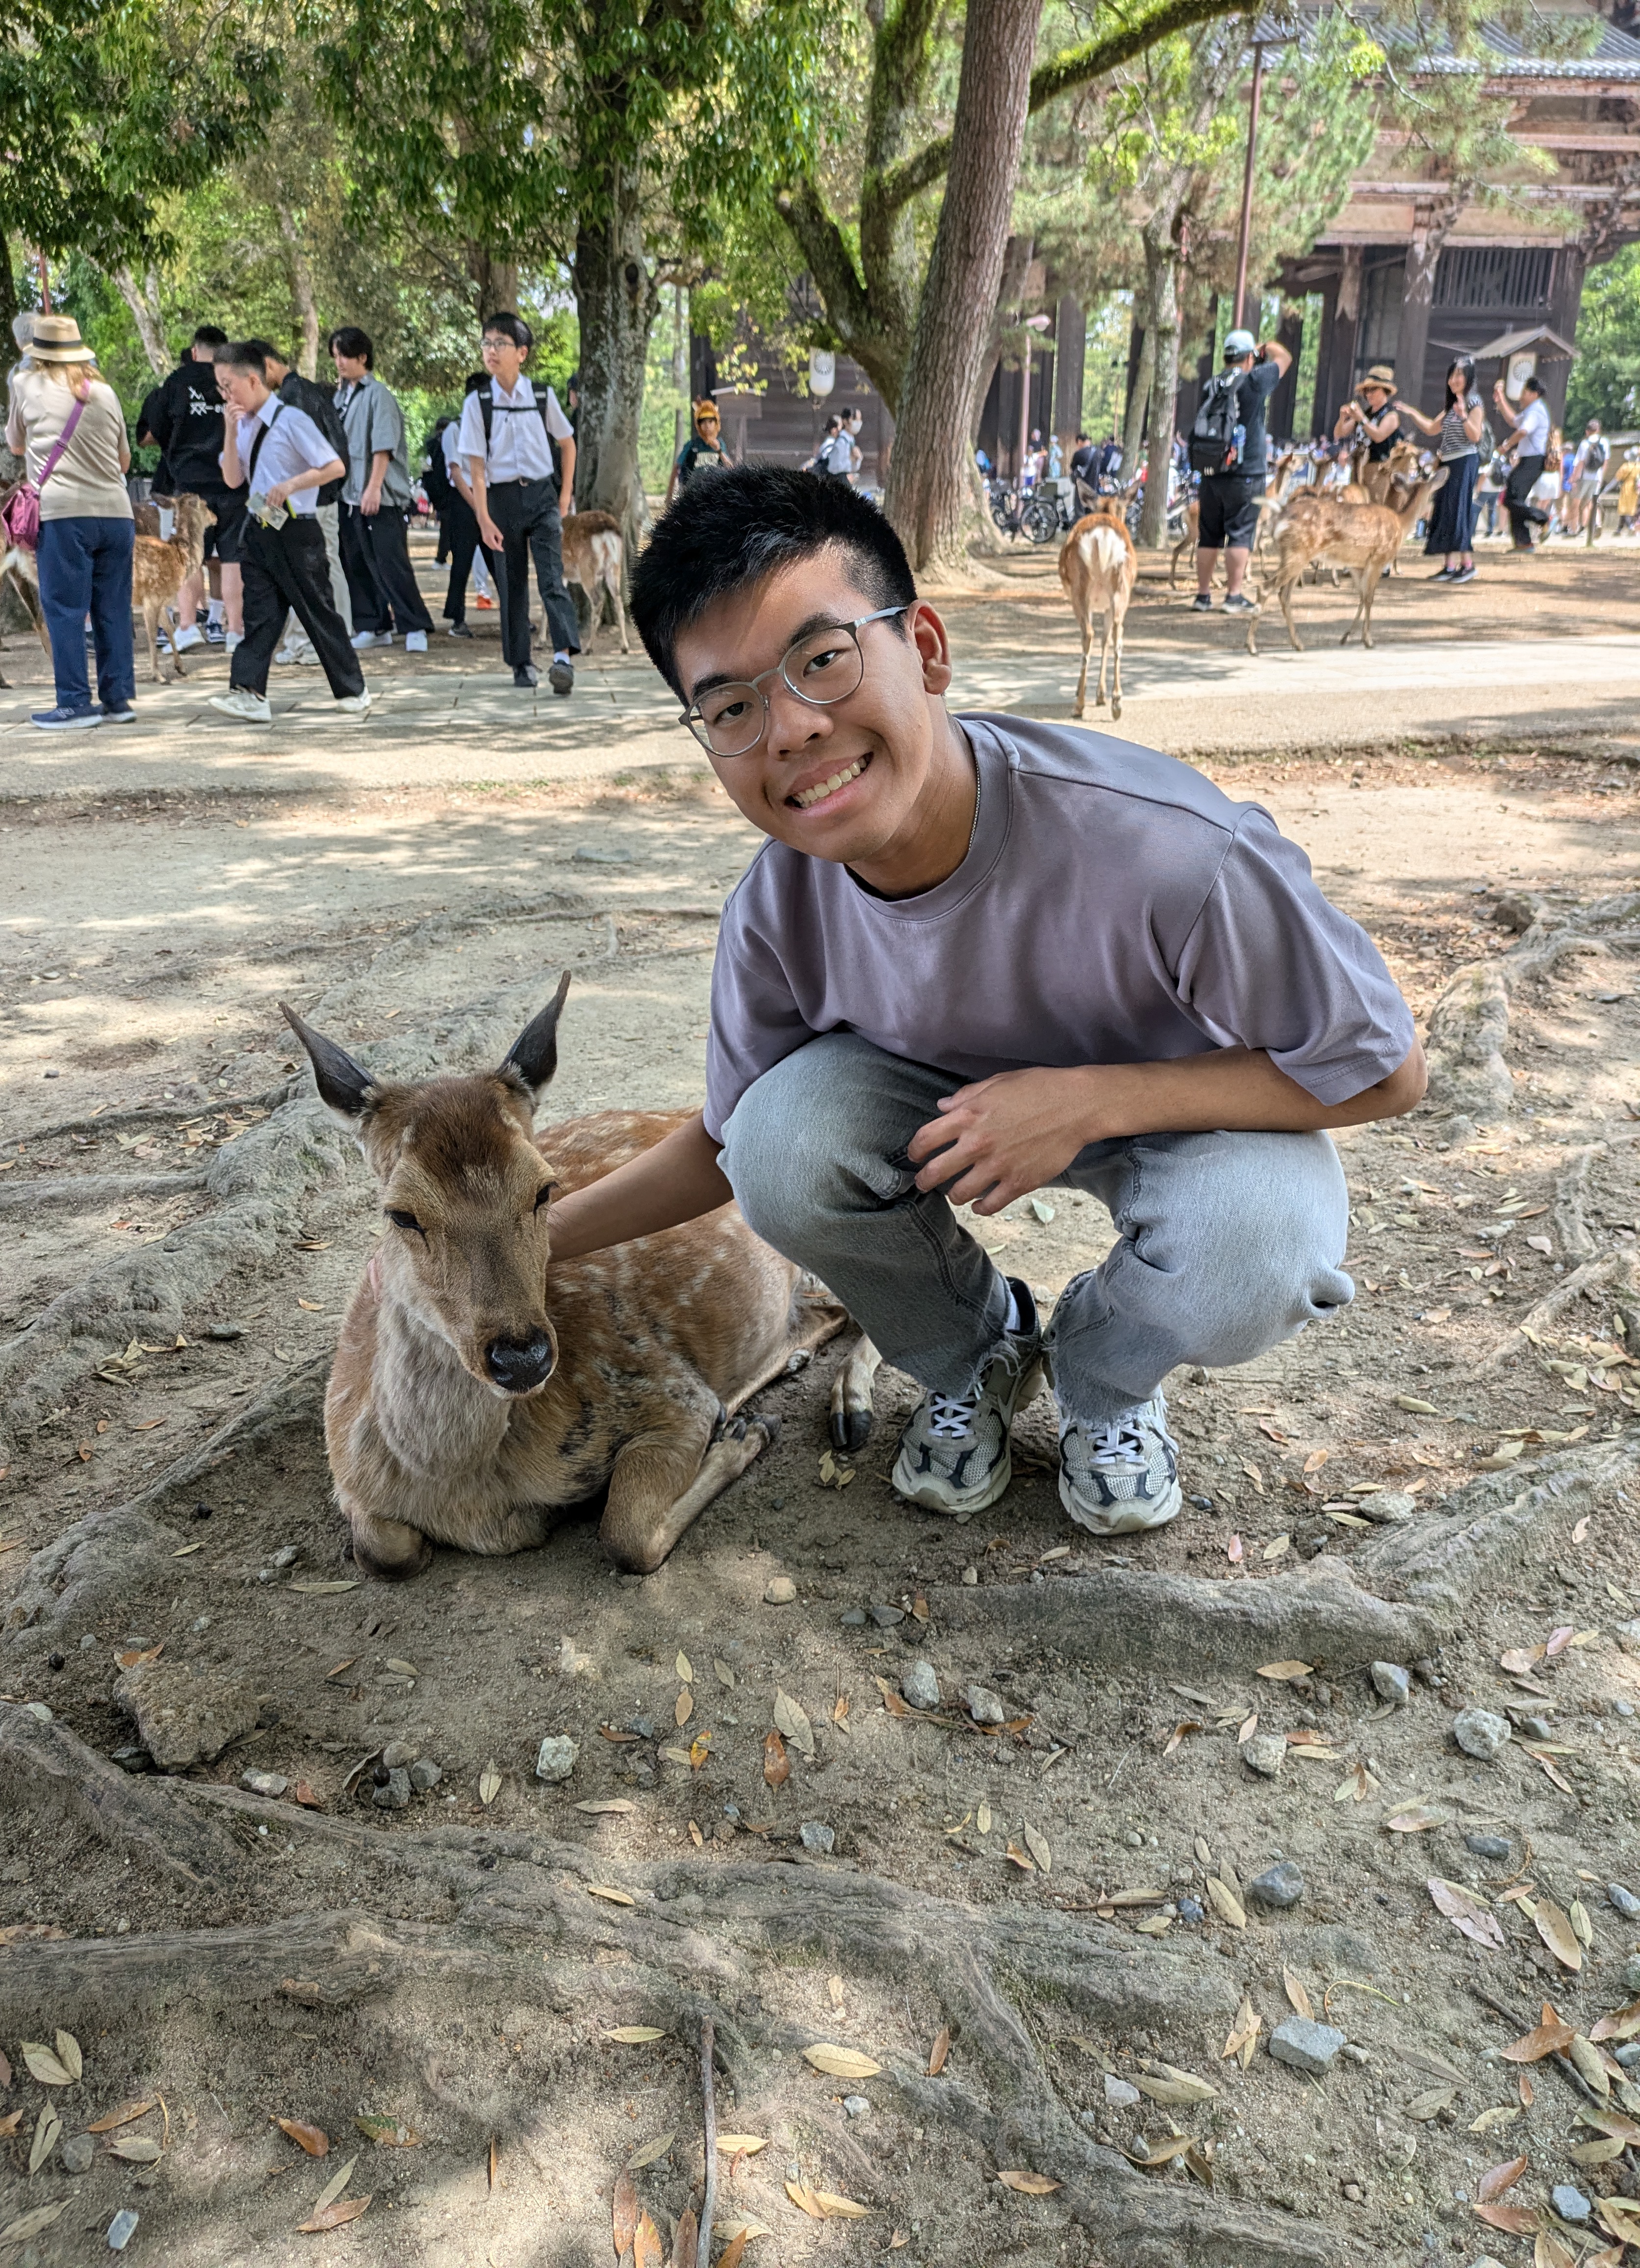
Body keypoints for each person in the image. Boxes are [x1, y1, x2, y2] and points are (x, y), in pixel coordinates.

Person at [546, 467, 1423, 1537]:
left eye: (821, 660)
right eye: (732, 706)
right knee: (780, 1146)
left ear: (923, 647)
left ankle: (1104, 1375)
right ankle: (977, 1350)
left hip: (1187, 1114)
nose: (790, 730)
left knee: (1264, 1242)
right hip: (942, 1120)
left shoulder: (1171, 850)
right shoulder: (776, 910)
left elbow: (1384, 1069)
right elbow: (729, 1144)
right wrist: (518, 1243)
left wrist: (1088, 1101)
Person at [207, 338, 371, 723]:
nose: (226, 395)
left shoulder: (291, 420)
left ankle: (353, 689)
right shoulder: (242, 425)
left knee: (318, 610)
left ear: (253, 380)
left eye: (229, 386)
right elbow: (233, 479)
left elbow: (334, 467)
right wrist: (230, 430)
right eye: (221, 388)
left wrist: (292, 485)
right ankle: (249, 692)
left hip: (297, 529)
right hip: (260, 525)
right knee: (260, 612)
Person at [3, 313, 137, 731]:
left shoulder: (25, 384)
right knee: (113, 609)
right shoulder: (105, 392)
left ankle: (75, 702)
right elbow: (125, 460)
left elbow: (15, 443)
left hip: (63, 514)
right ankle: (117, 700)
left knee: (64, 609)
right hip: (116, 513)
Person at [457, 309, 580, 694]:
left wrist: (564, 496)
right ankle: (521, 663)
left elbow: (568, 444)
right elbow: (476, 468)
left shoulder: (542, 396)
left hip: (542, 496)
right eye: (486, 343)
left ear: (522, 353)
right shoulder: (478, 403)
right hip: (501, 500)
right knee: (511, 583)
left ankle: (563, 658)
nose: (491, 351)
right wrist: (483, 517)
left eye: (501, 343)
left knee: (552, 578)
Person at [328, 326, 434, 654]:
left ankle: (414, 625)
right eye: (336, 356)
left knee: (391, 563)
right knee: (356, 563)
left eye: (345, 356)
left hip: (381, 497)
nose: (340, 363)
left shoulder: (379, 395)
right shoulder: (341, 397)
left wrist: (374, 488)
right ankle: (373, 625)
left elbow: (383, 447)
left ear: (363, 357)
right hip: (348, 496)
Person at [139, 325, 245, 652]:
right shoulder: (234, 381)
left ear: (195, 351)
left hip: (189, 487)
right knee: (232, 558)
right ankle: (236, 630)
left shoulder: (177, 382)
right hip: (233, 481)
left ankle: (188, 625)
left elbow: (153, 431)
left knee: (189, 556)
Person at [253, 342, 353, 664]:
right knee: (314, 568)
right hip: (310, 499)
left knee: (315, 571)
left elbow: (307, 459)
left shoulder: (291, 401)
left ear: (267, 366)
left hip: (310, 500)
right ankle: (307, 641)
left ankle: (318, 642)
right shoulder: (303, 393)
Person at [1192, 327, 1293, 615]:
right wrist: (1265, 347)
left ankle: (1203, 596)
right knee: (1240, 534)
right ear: (1250, 357)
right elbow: (1285, 358)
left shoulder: (1211, 385)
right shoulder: (1255, 380)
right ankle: (1233, 596)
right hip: (1246, 472)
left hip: (1211, 471)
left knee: (1209, 535)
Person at [1397, 357, 1484, 584]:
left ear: (1469, 378)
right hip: (1448, 463)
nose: (1454, 380)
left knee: (1458, 511)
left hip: (1465, 462)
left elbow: (1475, 436)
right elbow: (1430, 428)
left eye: (1459, 375)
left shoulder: (1474, 403)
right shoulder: (1451, 407)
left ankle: (1468, 566)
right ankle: (1449, 566)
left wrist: (1463, 415)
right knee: (1446, 512)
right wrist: (1410, 412)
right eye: (1452, 375)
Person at [432, 374, 496, 636]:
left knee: (499, 560)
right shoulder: (454, 430)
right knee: (462, 561)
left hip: (490, 499)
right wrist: (477, 508)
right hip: (464, 501)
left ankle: (516, 615)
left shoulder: (492, 429)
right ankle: (457, 619)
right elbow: (456, 473)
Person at [1490, 372, 1551, 548]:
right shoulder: (1532, 410)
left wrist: (1506, 445)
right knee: (1514, 499)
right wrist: (1501, 400)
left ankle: (1543, 518)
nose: (1521, 397)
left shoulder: (1536, 410)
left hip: (1533, 461)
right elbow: (1514, 421)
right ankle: (1523, 543)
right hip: (1529, 461)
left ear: (1534, 394)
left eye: (1524, 392)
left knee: (1510, 499)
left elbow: (1523, 431)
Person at [1333, 365, 1403, 494]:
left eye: (1373, 390)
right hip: (1358, 467)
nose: (1368, 395)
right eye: (1367, 391)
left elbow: (1379, 436)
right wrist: (1342, 418)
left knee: (1373, 504)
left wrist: (1361, 419)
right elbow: (1339, 433)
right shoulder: (1366, 414)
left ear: (1385, 390)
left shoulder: (1391, 415)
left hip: (1379, 470)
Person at [669, 399, 732, 497]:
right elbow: (677, 467)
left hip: (716, 493)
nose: (707, 426)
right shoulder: (692, 445)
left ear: (716, 423)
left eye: (710, 422)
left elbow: (731, 469)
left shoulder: (720, 444)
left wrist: (719, 451)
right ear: (699, 425)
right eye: (704, 422)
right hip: (693, 493)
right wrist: (669, 496)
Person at [1615, 450, 1640, 537]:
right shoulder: (1638, 466)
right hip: (1635, 489)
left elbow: (1618, 477)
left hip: (1627, 488)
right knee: (1631, 509)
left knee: (1624, 509)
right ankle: (1619, 529)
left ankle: (1631, 527)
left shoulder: (1626, 466)